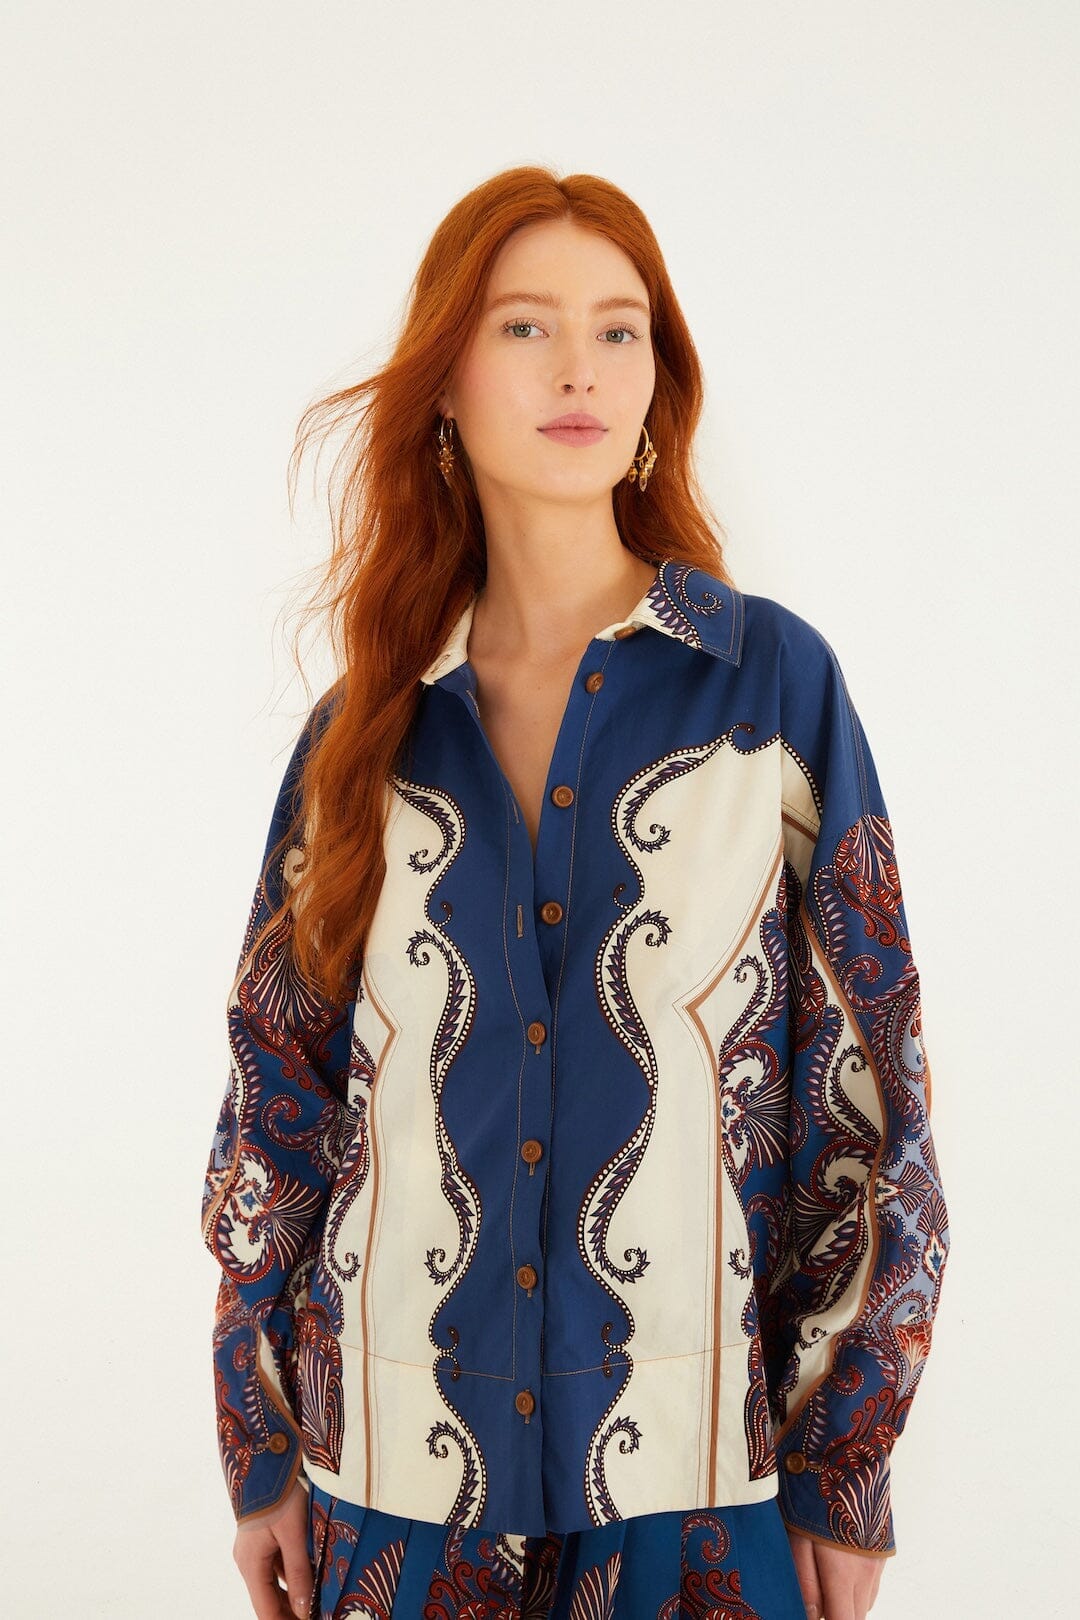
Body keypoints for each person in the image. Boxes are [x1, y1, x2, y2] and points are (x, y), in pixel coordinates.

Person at [200, 165, 949, 1620]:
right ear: (445, 380)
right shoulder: (365, 734)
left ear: (659, 378)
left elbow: (873, 1090)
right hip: (395, 1495)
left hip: (699, 1497)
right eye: (525, 326)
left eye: (619, 330)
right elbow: (275, 1102)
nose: (579, 370)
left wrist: (846, 1463)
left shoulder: (770, 690)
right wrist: (261, 1441)